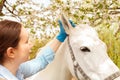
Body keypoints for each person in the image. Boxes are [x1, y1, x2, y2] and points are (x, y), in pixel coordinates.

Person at [0, 19, 75, 80]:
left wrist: (60, 37)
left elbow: (41, 60)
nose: (31, 44)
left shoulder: (18, 69)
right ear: (11, 52)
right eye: (26, 42)